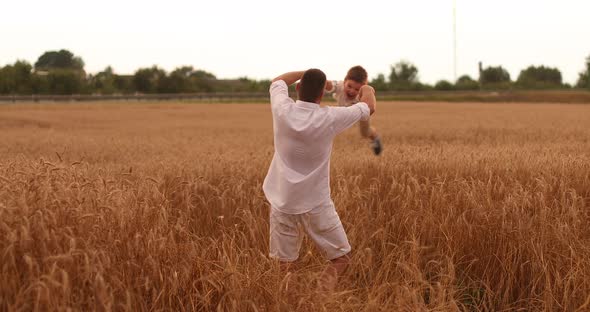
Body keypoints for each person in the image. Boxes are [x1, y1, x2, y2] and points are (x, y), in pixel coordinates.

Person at [263, 68, 376, 292]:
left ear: (297, 88)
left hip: (282, 200)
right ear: (322, 95)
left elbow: (277, 81)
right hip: (316, 202)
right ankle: (319, 298)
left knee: (285, 266)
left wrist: (305, 71)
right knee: (341, 258)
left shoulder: (281, 108)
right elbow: (369, 106)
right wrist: (366, 87)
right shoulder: (331, 117)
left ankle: (290, 304)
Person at [324, 65, 382, 155]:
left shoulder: (363, 95)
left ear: (363, 88)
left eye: (357, 89)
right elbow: (328, 84)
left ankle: (376, 138)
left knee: (365, 133)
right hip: (344, 109)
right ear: (345, 81)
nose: (352, 91)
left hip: (361, 114)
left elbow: (370, 106)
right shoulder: (339, 86)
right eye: (349, 86)